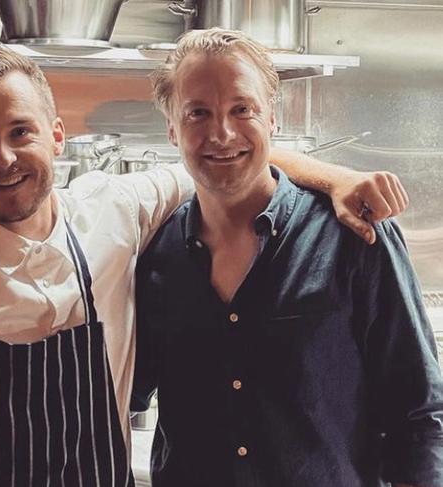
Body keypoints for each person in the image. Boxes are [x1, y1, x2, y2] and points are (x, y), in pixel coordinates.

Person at [0, 46, 409, 486]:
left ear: (56, 136)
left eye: (20, 131)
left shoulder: (114, 209)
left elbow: (229, 157)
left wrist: (341, 179)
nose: (3, 157)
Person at [131, 28, 443, 487]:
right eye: (198, 113)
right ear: (172, 128)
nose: (222, 133)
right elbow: (126, 394)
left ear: (272, 119)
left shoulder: (355, 238)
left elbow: (418, 413)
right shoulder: (155, 255)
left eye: (243, 109)